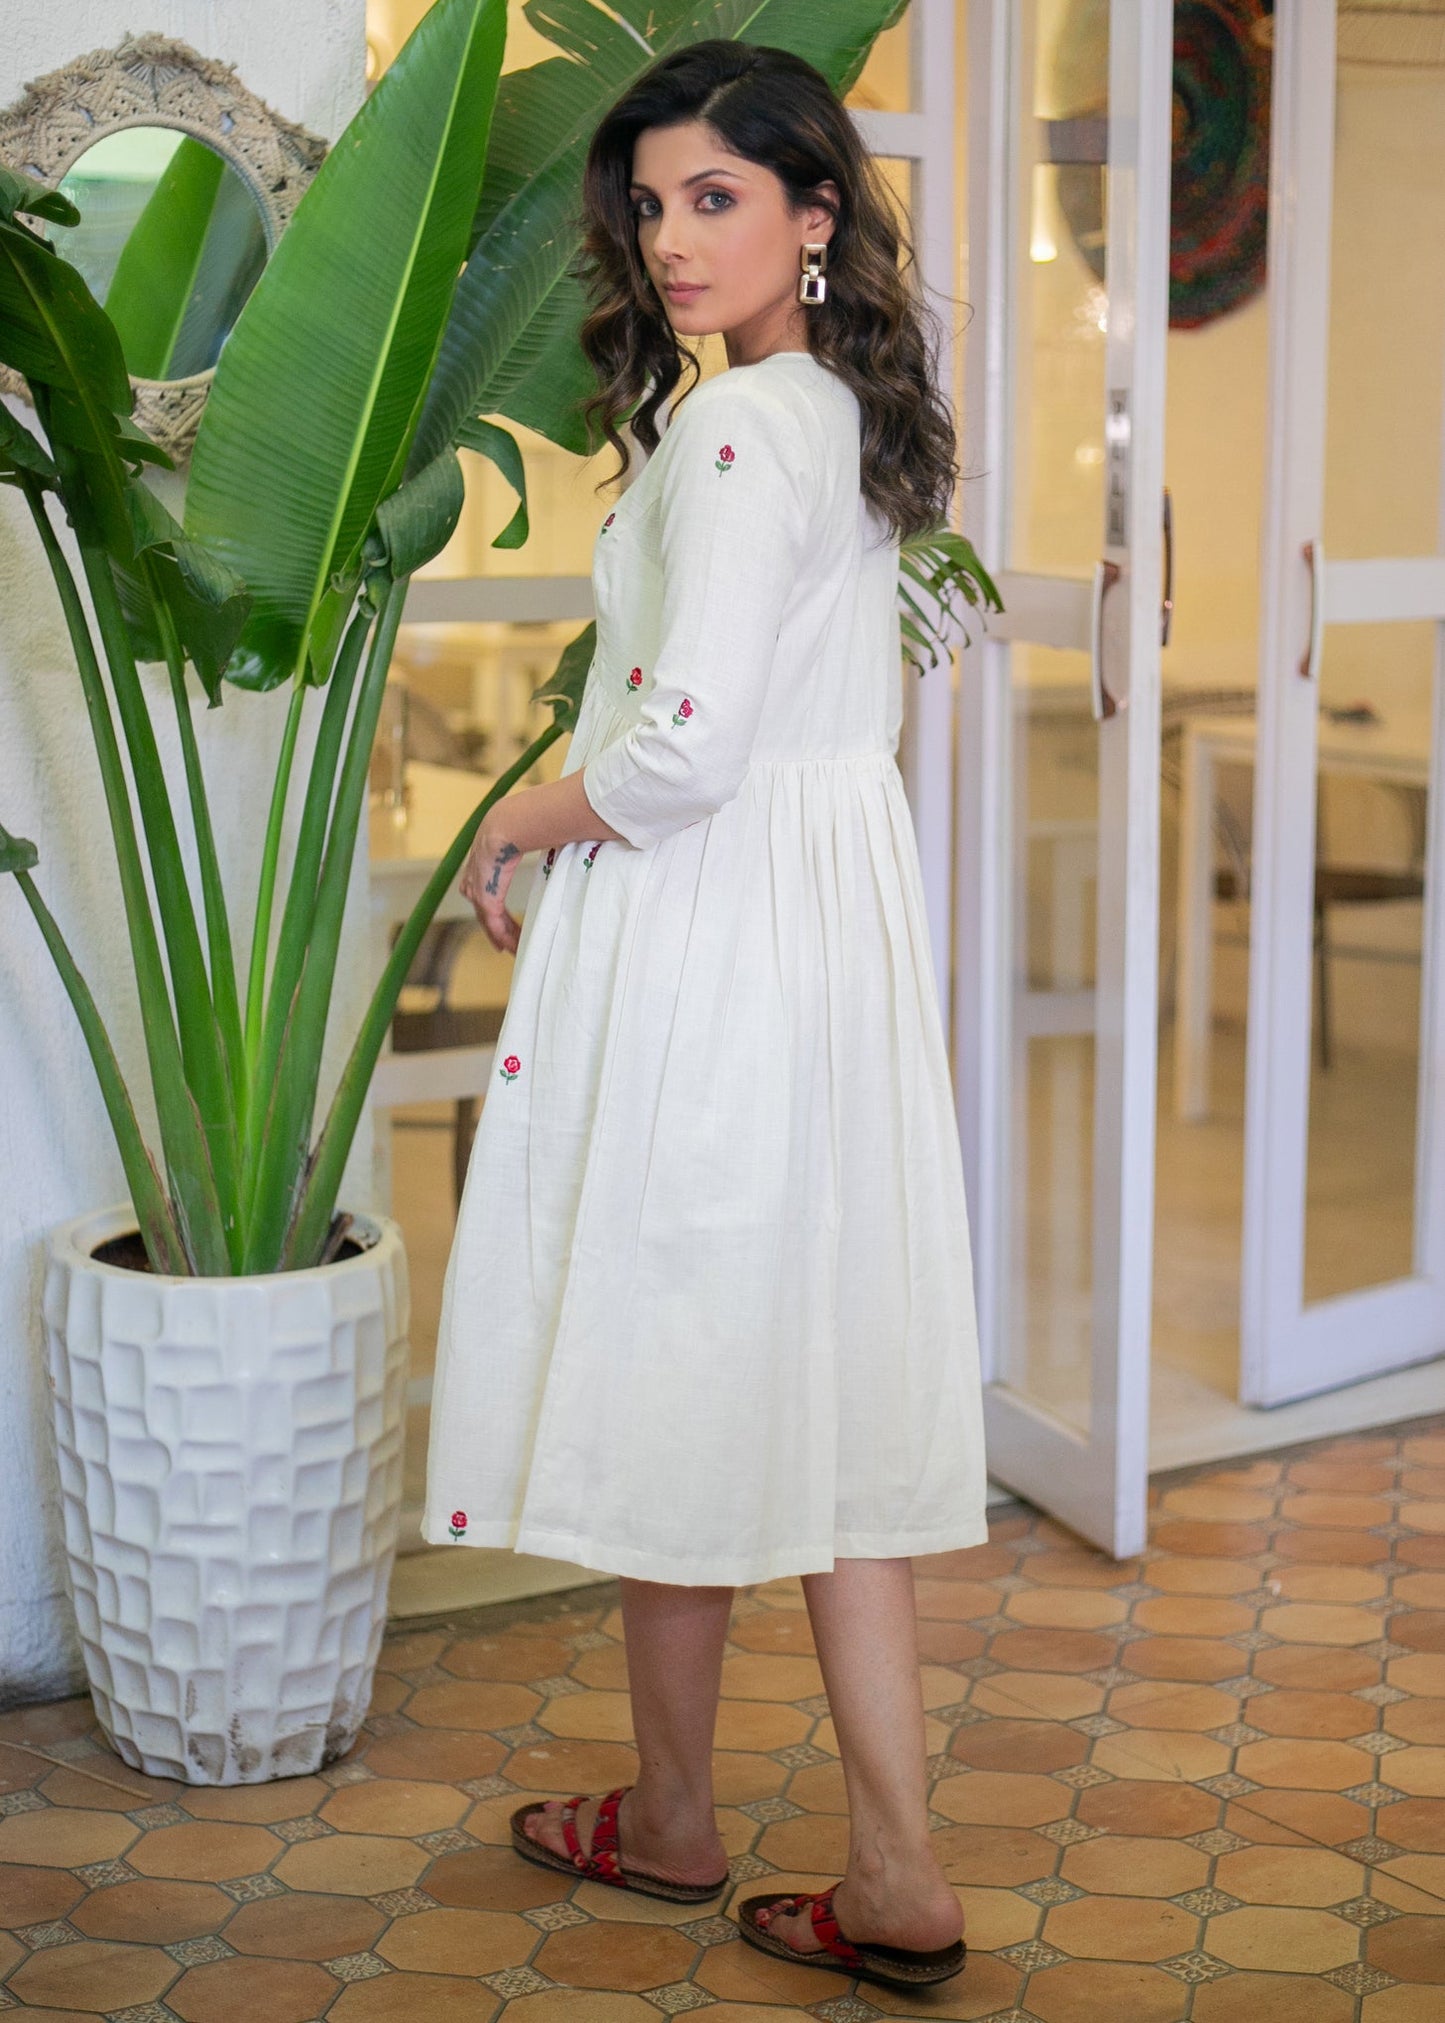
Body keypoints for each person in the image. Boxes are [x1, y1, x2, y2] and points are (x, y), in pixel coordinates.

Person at [421, 37, 986, 1995]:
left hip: (719, 934)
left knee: (687, 1363)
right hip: (820, 940)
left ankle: (683, 1815)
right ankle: (888, 1864)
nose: (671, 239)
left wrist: (513, 817)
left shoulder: (742, 430)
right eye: (651, 204)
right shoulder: (850, 416)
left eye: (716, 198)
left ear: (813, 215)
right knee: (809, 1396)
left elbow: (678, 753)